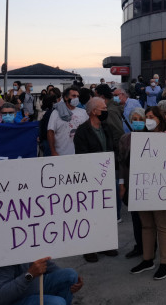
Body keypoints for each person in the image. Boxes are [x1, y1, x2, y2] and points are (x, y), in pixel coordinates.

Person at [72, 97, 120, 262]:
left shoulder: (106, 127)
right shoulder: (82, 131)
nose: (105, 111)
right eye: (103, 108)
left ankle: (105, 244)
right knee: (90, 213)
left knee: (105, 212)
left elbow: (112, 148)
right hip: (90, 178)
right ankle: (90, 247)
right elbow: (81, 156)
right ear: (93, 111)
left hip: (107, 176)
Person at [129, 106, 166, 280]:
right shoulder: (138, 137)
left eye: (151, 117)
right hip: (142, 187)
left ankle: (165, 263)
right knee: (146, 225)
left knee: (162, 225)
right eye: (146, 117)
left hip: (161, 188)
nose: (148, 120)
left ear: (159, 119)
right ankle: (148, 260)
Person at [0, 256, 83, 305]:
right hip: (7, 302)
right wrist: (30, 275)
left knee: (70, 275)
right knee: (57, 303)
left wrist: (73, 283)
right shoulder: (0, 255)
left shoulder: (28, 239)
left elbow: (49, 266)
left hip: (28, 290)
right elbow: (1, 296)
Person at [118, 107, 146, 260]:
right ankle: (139, 246)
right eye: (134, 119)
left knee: (148, 220)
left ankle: (150, 247)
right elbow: (121, 163)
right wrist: (122, 184)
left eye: (140, 119)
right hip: (131, 183)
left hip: (148, 184)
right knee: (136, 218)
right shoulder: (125, 139)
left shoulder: (152, 137)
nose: (137, 122)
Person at [47, 87, 89, 156]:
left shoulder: (83, 112)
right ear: (66, 98)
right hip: (62, 153)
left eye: (78, 96)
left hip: (80, 153)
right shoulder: (56, 113)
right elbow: (50, 132)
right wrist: (53, 151)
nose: (76, 98)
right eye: (73, 96)